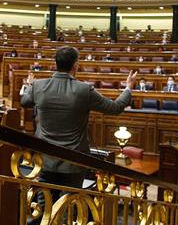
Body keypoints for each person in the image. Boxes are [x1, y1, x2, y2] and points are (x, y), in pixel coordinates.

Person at [20, 46, 137, 207]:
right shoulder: (84, 90)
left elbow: (24, 101)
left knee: (44, 206)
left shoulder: (39, 86)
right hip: (73, 161)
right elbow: (115, 108)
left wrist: (30, 85)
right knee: (68, 207)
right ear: (75, 65)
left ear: (56, 63)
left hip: (45, 159)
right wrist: (128, 88)